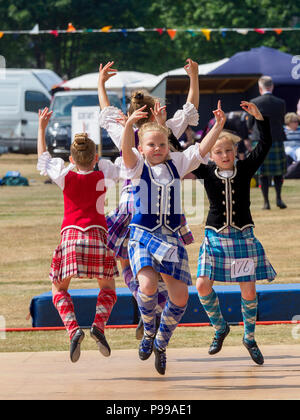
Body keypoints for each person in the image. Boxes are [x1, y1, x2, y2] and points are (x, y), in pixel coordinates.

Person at [121, 101, 226, 375]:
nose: (157, 149)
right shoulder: (136, 167)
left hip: (171, 238)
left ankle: (161, 343)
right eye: (151, 145)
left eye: (162, 145)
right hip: (143, 235)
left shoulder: (176, 164)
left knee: (180, 299)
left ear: (169, 146)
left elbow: (202, 149)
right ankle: (147, 332)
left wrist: (218, 126)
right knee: (146, 285)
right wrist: (129, 125)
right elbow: (125, 151)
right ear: (141, 148)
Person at [98, 60, 200, 339]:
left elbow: (106, 113)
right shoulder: (163, 132)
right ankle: (156, 310)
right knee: (164, 265)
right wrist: (193, 77)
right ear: (155, 110)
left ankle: (148, 306)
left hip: (132, 202)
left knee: (127, 261)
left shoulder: (126, 132)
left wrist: (101, 84)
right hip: (161, 206)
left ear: (130, 113)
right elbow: (190, 110)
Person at [193, 101, 276, 366]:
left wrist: (259, 118)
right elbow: (181, 153)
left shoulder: (245, 169)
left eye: (229, 150)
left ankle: (249, 338)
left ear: (236, 151)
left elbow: (265, 145)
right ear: (211, 154)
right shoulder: (205, 172)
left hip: (242, 236)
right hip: (215, 236)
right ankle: (220, 327)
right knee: (202, 285)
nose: (225, 154)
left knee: (248, 289)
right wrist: (164, 126)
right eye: (219, 151)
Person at [37, 107, 119, 363]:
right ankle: (98, 325)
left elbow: (43, 158)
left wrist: (41, 127)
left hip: (71, 237)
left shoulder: (64, 175)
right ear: (95, 158)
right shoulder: (103, 173)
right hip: (97, 236)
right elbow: (126, 162)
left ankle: (73, 329)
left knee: (58, 288)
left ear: (71, 159)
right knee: (108, 288)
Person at [247, 75, 287, 210]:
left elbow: (249, 123)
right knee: (278, 172)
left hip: (260, 140)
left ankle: (266, 203)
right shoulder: (280, 102)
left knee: (263, 173)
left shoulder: (254, 102)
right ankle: (279, 199)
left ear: (260, 88)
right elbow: (282, 121)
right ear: (272, 86)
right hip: (276, 139)